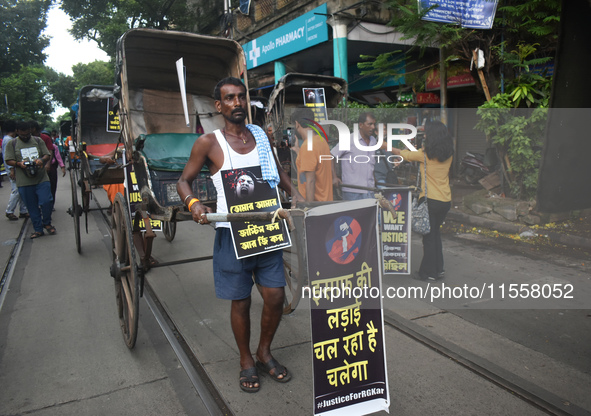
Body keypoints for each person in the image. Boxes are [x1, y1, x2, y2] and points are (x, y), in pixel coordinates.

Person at [177, 77, 304, 393]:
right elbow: (184, 181)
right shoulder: (208, 143)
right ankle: (247, 360)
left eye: (241, 97)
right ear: (219, 106)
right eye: (229, 98)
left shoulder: (260, 136)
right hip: (232, 235)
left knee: (275, 296)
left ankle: (265, 351)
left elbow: (278, 168)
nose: (237, 103)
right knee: (241, 301)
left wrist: (295, 194)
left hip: (268, 230)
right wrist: (194, 204)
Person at [391, 121, 453, 280]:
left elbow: (403, 153)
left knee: (429, 238)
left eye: (426, 134)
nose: (424, 136)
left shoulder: (424, 154)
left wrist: (384, 145)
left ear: (431, 136)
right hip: (445, 200)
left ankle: (429, 273)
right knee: (435, 234)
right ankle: (439, 269)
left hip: (430, 200)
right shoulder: (449, 153)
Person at [4, 120, 55, 238]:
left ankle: (47, 223)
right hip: (24, 181)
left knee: (46, 201)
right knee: (31, 206)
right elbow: (8, 160)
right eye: (22, 135)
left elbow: (47, 154)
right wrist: (18, 164)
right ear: (17, 132)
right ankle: (38, 229)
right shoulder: (12, 144)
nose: (25, 137)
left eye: (27, 134)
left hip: (41, 178)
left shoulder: (38, 140)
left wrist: (41, 160)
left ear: (31, 131)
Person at [331, 112, 377, 200]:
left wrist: (374, 179)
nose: (373, 127)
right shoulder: (349, 139)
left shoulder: (373, 141)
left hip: (370, 190)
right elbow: (332, 155)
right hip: (352, 192)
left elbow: (371, 163)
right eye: (370, 124)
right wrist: (334, 177)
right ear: (361, 125)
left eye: (374, 124)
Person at [292, 107, 334, 202]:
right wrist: (299, 151)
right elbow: (314, 162)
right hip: (325, 202)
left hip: (315, 206)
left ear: (297, 124)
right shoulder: (321, 141)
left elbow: (310, 181)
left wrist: (308, 208)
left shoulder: (308, 146)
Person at [2, 120, 29, 220]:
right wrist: (11, 169)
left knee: (21, 189)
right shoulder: (9, 140)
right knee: (16, 190)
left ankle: (23, 210)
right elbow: (8, 157)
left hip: (14, 167)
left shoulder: (8, 139)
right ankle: (9, 211)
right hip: (12, 168)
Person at [48, 141, 67, 210]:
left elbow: (58, 157)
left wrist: (62, 166)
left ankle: (51, 204)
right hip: (41, 168)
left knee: (53, 186)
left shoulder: (53, 147)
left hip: (52, 167)